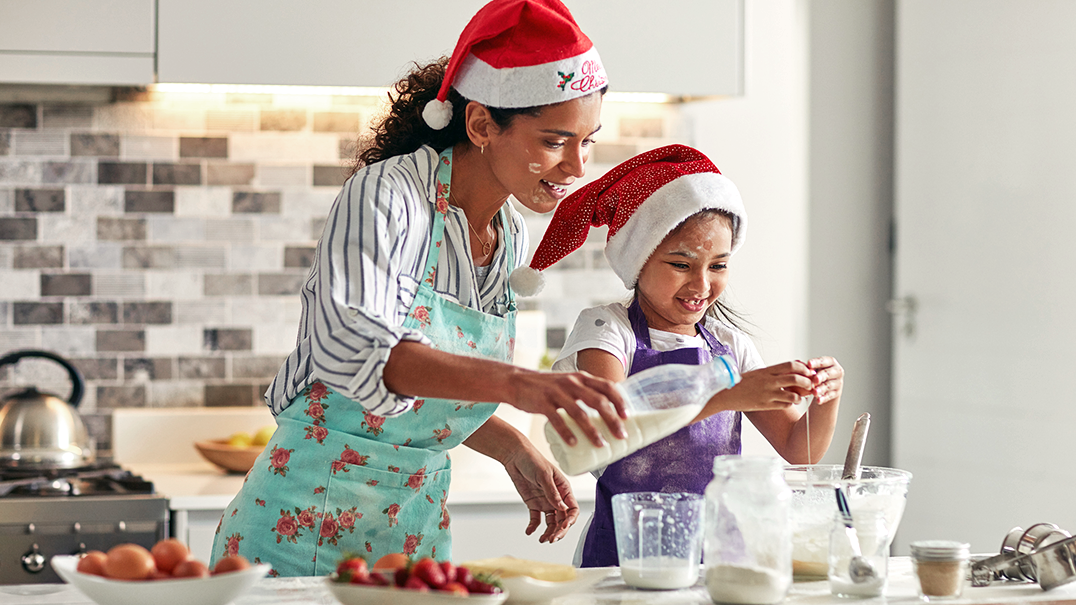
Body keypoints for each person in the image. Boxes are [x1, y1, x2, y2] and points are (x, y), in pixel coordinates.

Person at [210, 0, 630, 577]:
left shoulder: (505, 230)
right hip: (297, 529)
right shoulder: (387, 197)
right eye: (555, 141)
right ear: (482, 125)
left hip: (412, 536)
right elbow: (361, 355)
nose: (576, 166)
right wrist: (517, 385)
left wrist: (509, 444)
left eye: (588, 141)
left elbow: (430, 387)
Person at [514, 144, 844, 567]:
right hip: (622, 555)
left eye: (719, 266)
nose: (702, 284)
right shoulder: (607, 330)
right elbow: (607, 429)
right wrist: (730, 396)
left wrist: (826, 396)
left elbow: (802, 452)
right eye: (681, 264)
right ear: (638, 260)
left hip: (714, 556)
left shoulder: (730, 345)